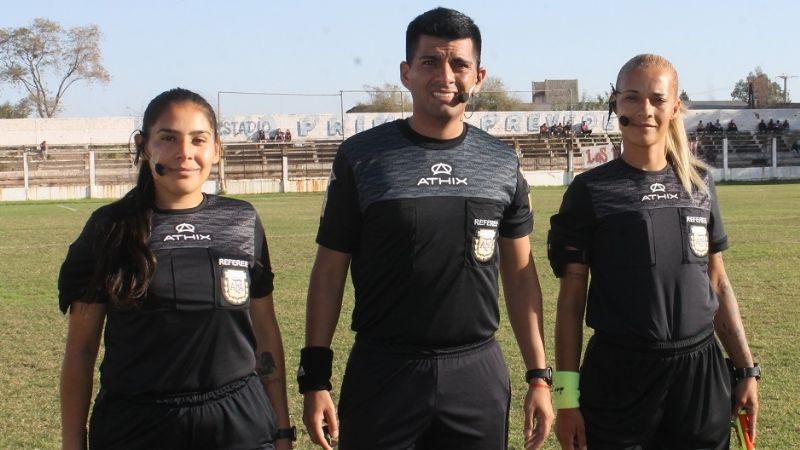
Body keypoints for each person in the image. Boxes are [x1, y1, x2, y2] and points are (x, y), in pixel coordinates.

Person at [299, 7, 553, 450]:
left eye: (459, 64)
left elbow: (520, 273)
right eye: (430, 62)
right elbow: (329, 269)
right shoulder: (363, 157)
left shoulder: (501, 161)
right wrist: (315, 377)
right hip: (384, 370)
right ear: (406, 72)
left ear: (479, 75)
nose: (446, 75)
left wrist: (539, 376)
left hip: (475, 373)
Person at [59, 88, 294, 450]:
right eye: (168, 138)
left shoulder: (242, 220)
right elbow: (81, 350)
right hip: (137, 425)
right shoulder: (109, 228)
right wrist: (73, 443)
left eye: (198, 140)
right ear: (143, 146)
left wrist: (281, 429)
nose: (185, 153)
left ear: (216, 149)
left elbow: (265, 329)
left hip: (237, 423)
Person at [549, 54, 759, 450]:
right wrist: (566, 399)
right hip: (619, 375)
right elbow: (571, 300)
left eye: (657, 99)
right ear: (616, 104)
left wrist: (746, 368)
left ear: (675, 107)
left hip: (700, 374)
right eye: (632, 97)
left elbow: (718, 281)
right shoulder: (590, 192)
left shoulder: (698, 186)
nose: (645, 109)